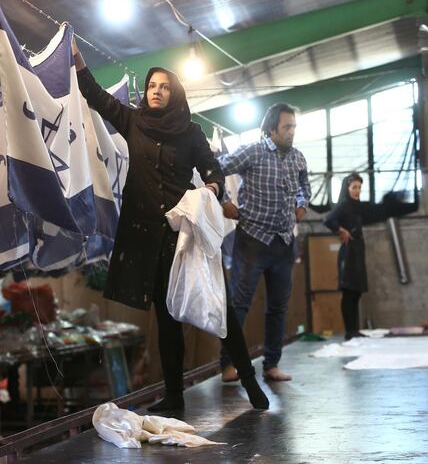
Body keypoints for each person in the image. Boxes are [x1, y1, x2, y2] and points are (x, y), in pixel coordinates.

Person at [71, 39, 268, 412]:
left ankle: (249, 380)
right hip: (149, 237)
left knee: (220, 307)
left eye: (164, 87)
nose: (156, 92)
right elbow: (95, 96)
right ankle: (174, 396)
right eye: (151, 86)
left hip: (187, 236)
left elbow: (213, 168)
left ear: (173, 93)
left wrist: (211, 186)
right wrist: (79, 61)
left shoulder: (190, 132)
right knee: (167, 317)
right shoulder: (133, 121)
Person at [217, 103, 310, 383]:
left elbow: (305, 186)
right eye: (287, 127)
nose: (292, 132)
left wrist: (302, 204)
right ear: (272, 130)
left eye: (294, 126)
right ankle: (227, 365)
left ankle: (271, 365)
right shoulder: (252, 151)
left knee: (278, 306)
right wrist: (224, 201)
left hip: (283, 241)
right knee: (239, 304)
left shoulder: (298, 158)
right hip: (252, 240)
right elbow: (216, 170)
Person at [323, 173, 417, 340]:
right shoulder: (344, 205)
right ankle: (349, 331)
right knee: (349, 292)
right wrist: (340, 230)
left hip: (358, 250)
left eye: (359, 187)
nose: (357, 191)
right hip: (348, 252)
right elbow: (328, 219)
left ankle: (353, 330)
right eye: (354, 188)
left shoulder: (358, 207)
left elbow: (376, 212)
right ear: (347, 188)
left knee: (357, 291)